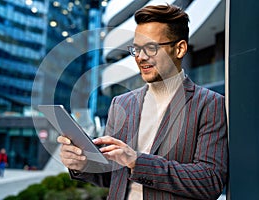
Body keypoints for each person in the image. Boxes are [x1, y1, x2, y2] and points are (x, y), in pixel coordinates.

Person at [58, 4, 228, 200]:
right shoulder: (121, 103)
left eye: (151, 47)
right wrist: (82, 164)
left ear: (180, 48)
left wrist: (137, 161)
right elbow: (114, 176)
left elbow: (210, 181)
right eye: (137, 49)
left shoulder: (209, 104)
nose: (141, 57)